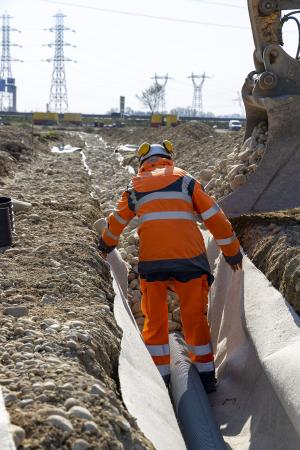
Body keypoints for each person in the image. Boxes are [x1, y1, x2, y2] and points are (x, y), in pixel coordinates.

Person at [98, 140, 243, 392]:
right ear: (168, 158)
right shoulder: (186, 181)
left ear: (143, 163)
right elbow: (214, 217)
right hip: (190, 261)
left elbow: (117, 221)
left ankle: (161, 380)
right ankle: (207, 379)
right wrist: (231, 252)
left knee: (155, 321)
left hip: (153, 264)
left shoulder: (135, 186)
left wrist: (106, 245)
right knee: (194, 319)